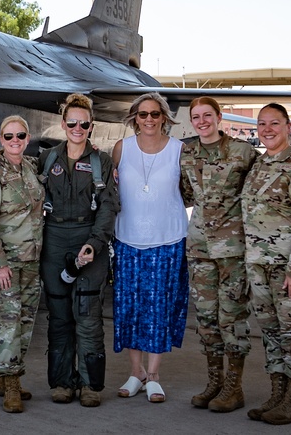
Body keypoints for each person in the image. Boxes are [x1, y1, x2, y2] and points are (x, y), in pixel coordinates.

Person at [241, 103, 291, 425]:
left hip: (288, 269)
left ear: (289, 127)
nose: (267, 129)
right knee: (272, 334)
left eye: (274, 123)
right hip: (259, 267)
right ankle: (276, 394)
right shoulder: (259, 164)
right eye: (262, 124)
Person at [39, 93, 119, 407]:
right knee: (59, 318)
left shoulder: (102, 161)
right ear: (63, 124)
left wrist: (94, 244)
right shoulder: (47, 159)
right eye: (71, 122)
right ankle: (61, 382)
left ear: (90, 125)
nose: (77, 127)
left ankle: (90, 386)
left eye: (83, 123)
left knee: (87, 316)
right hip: (55, 238)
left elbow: (109, 207)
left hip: (89, 239)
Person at [178, 97, 258, 412]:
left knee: (232, 317)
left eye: (207, 115)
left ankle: (234, 387)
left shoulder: (243, 152)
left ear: (219, 116)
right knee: (207, 319)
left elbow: (257, 197)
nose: (201, 122)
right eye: (196, 117)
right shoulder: (187, 153)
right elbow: (185, 194)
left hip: (233, 251)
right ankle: (214, 382)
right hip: (199, 249)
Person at [111, 92, 188, 404]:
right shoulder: (121, 148)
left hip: (167, 239)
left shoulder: (179, 150)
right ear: (134, 118)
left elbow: (192, 190)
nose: (149, 120)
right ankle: (136, 371)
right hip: (127, 239)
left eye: (155, 114)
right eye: (143, 114)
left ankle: (154, 375)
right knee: (129, 308)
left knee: (158, 309)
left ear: (164, 117)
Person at [0, 115, 45, 413]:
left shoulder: (30, 167)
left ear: (27, 138)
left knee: (26, 323)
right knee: (7, 324)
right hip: (4, 264)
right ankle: (11, 383)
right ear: (0, 140)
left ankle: (3, 376)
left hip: (31, 261)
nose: (15, 141)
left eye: (20, 135)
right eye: (8, 136)